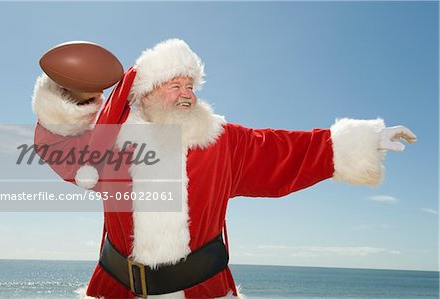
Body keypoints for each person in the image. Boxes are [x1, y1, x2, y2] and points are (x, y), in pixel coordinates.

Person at [31, 39, 416, 299]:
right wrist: (70, 96)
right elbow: (57, 144)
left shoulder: (222, 141)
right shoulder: (109, 141)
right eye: (173, 85)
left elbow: (289, 151)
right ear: (144, 94)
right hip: (118, 288)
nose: (186, 93)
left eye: (190, 84)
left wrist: (367, 139)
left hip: (202, 289)